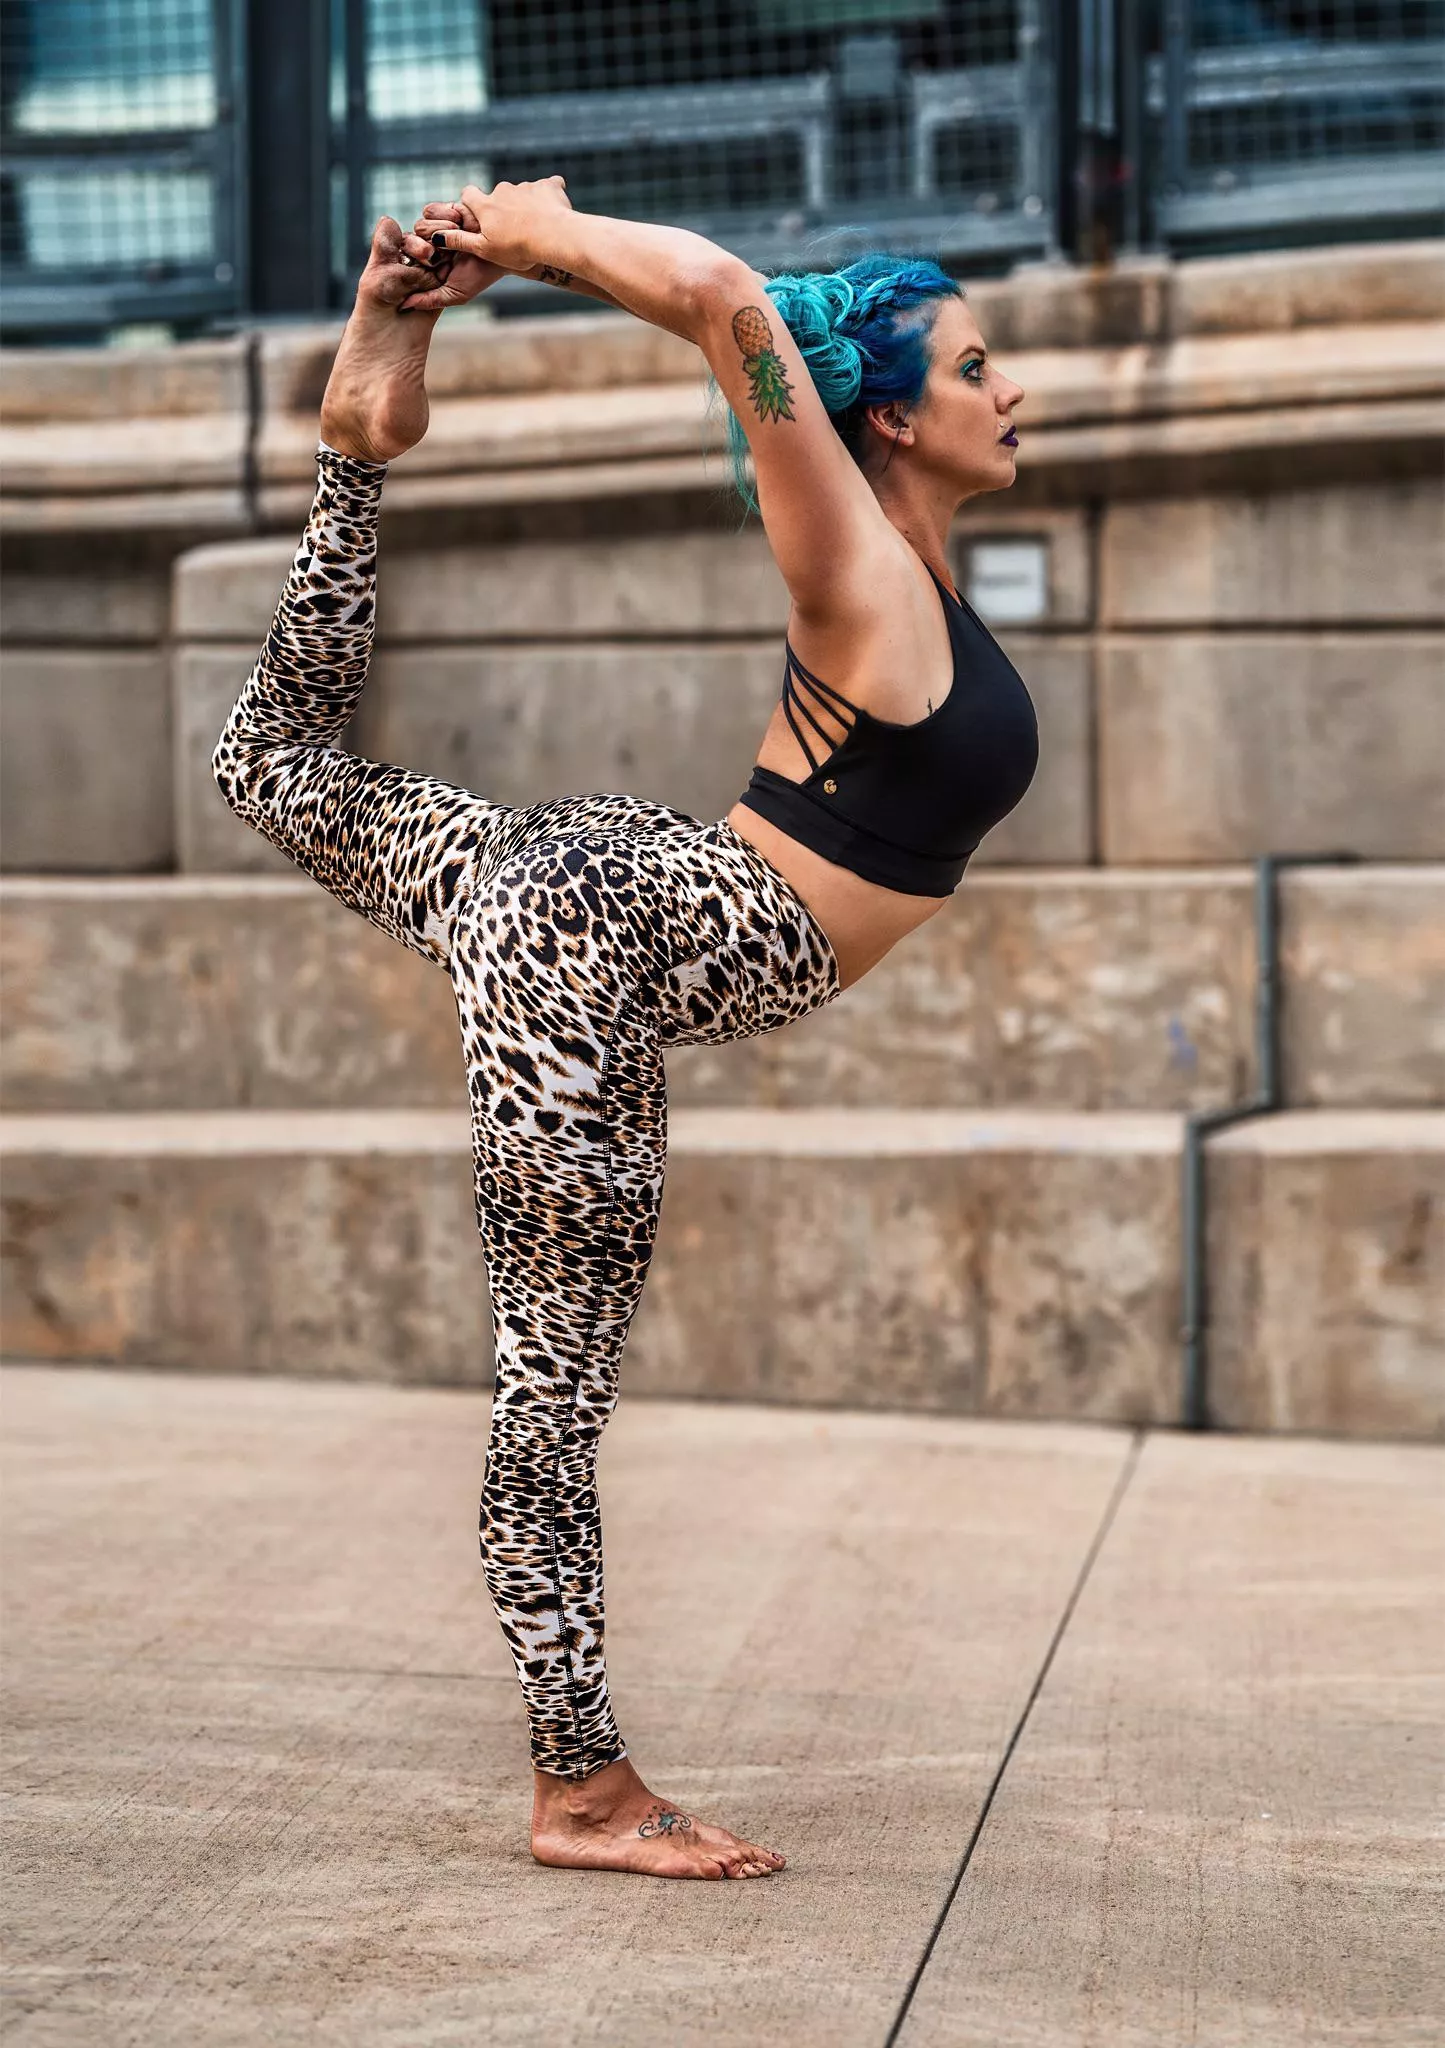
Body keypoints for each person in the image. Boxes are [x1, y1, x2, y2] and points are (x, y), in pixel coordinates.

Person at [212, 182, 1035, 1882]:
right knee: (553, 1384)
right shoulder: (853, 559)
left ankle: (363, 438)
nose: (1008, 387)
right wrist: (538, 232)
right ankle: (578, 1790)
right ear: (888, 413)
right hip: (598, 933)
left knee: (269, 767)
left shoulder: (914, 579)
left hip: (585, 897)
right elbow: (727, 292)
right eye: (975, 364)